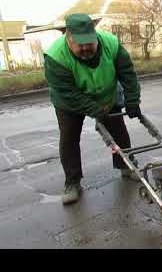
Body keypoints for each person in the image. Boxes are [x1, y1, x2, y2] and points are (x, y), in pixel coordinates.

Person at [44, 14, 142, 205]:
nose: (86, 48)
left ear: (95, 36)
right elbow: (67, 93)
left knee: (118, 130)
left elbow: (128, 74)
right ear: (68, 38)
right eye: (80, 45)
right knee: (69, 137)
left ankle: (127, 166)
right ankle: (72, 182)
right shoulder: (55, 56)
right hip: (69, 102)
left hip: (105, 94)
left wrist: (132, 100)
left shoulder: (111, 44)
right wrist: (93, 109)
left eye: (90, 43)